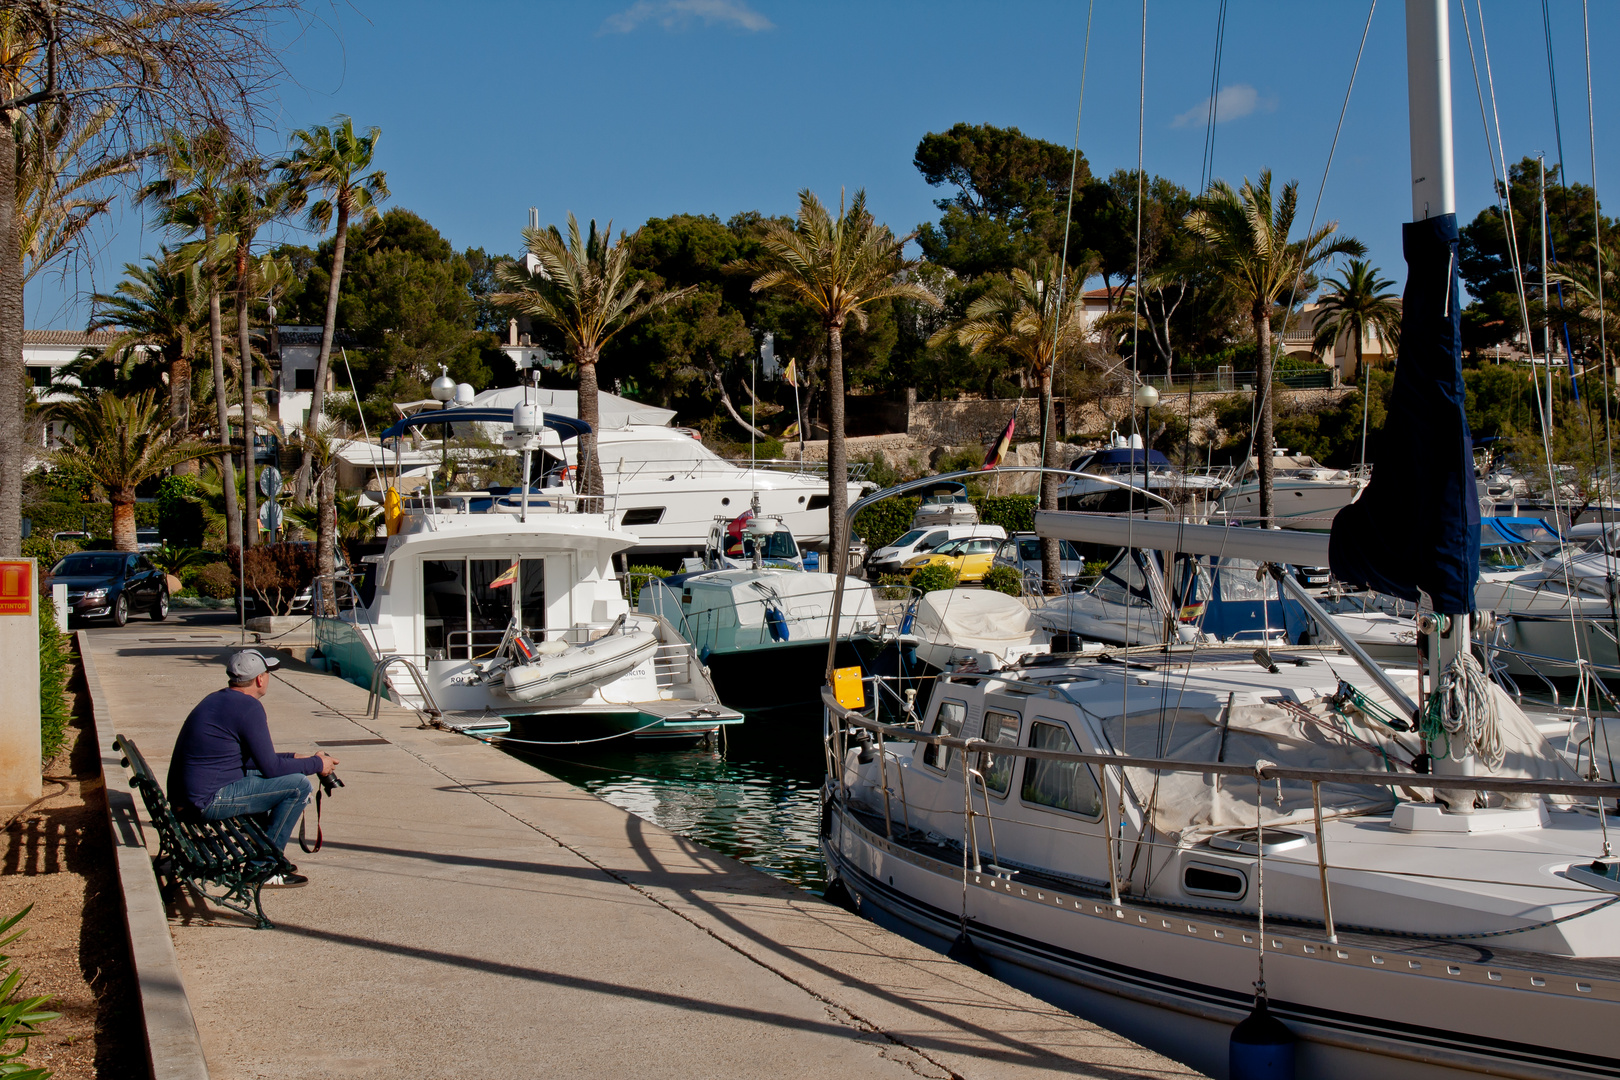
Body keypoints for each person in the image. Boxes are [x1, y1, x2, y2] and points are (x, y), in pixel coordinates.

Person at [167, 649, 339, 888]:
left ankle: (267, 856)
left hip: (189, 795)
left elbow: (247, 760)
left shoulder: (216, 699)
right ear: (260, 678)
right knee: (298, 786)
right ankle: (264, 868)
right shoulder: (249, 707)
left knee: (290, 775)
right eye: (268, 673)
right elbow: (269, 768)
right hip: (206, 801)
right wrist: (317, 764)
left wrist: (296, 757)